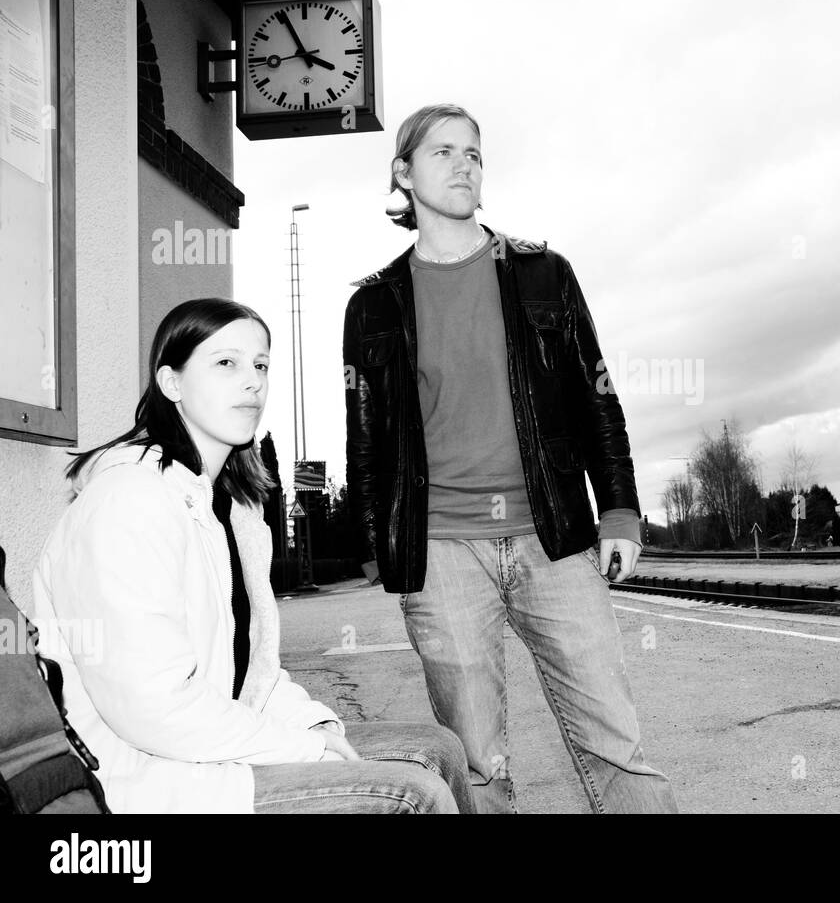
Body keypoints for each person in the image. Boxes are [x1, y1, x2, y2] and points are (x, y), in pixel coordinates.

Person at [343, 104, 677, 813]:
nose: (465, 164)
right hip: (442, 555)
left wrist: (619, 510)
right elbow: (366, 437)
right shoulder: (373, 306)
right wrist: (380, 542)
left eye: (474, 153)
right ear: (402, 173)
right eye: (443, 153)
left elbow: (597, 398)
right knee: (479, 765)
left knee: (616, 744)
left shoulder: (542, 273)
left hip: (553, 537)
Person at [31, 297, 472, 813]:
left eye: (260, 364)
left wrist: (316, 725)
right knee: (411, 796)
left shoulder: (233, 511)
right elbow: (150, 708)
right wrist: (302, 749)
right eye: (226, 363)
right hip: (142, 781)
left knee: (437, 749)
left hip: (213, 751)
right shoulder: (128, 502)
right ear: (171, 383)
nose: (253, 381)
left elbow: (249, 673)